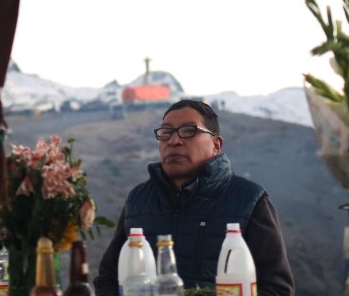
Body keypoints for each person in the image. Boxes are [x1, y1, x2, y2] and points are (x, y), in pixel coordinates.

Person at [93, 100, 295, 295]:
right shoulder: (138, 200)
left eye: (189, 131)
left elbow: (277, 289)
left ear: (216, 145)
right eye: (166, 133)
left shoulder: (249, 200)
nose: (174, 141)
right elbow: (108, 279)